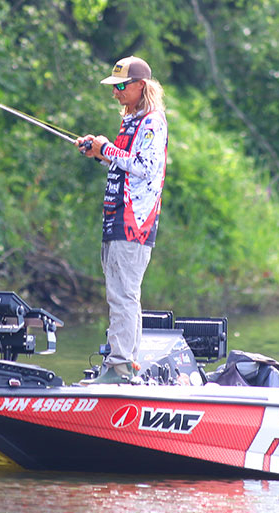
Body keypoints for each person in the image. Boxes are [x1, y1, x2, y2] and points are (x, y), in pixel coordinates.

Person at [74, 56, 168, 384]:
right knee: (120, 293)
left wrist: (108, 149)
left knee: (123, 295)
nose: (115, 92)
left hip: (134, 223)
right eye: (114, 87)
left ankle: (120, 367)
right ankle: (125, 363)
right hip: (116, 217)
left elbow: (145, 167)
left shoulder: (152, 122)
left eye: (121, 86)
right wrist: (98, 152)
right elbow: (125, 164)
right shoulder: (132, 121)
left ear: (141, 86)